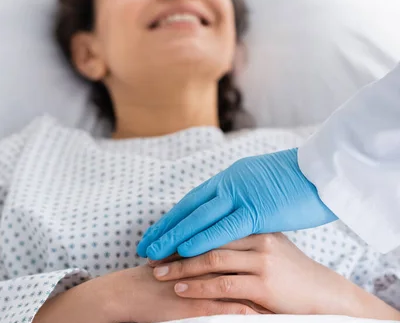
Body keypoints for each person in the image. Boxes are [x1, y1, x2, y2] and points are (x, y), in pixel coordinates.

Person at [0, 0, 399, 323]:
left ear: (234, 47)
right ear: (89, 51)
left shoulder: (344, 155)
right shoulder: (21, 162)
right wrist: (108, 300)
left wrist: (329, 295)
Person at [138, 64, 400, 260]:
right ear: (94, 53)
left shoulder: (312, 138)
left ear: (236, 53)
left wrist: (321, 288)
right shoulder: (95, 167)